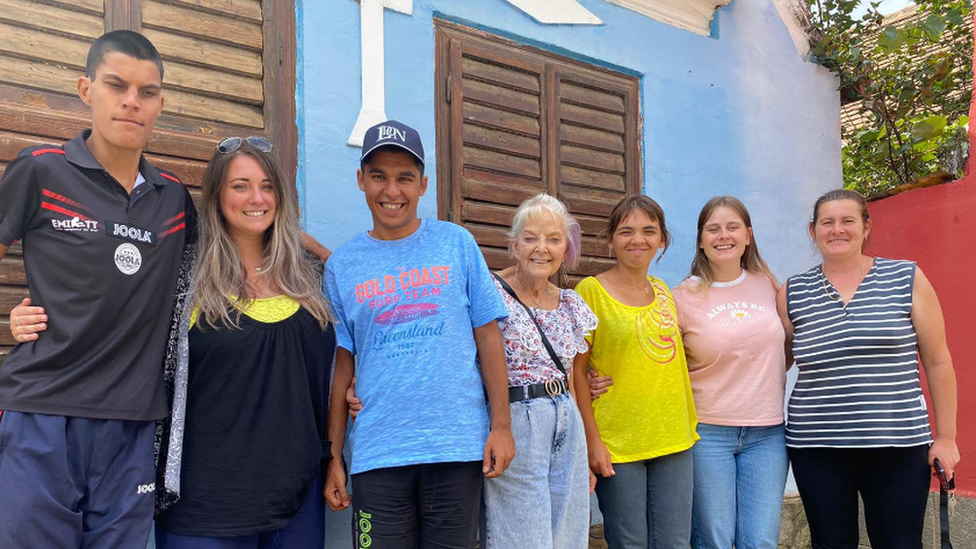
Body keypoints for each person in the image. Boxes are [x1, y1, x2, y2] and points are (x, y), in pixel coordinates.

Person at [0, 30, 196, 548]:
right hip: (42, 411)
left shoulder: (174, 199)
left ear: (160, 103)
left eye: (147, 91)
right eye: (117, 85)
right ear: (86, 89)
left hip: (133, 425)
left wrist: (337, 263)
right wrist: (6, 323)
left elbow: (244, 238)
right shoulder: (40, 169)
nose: (132, 102)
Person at [347, 193, 598, 548]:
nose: (541, 248)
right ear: (513, 245)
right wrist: (369, 376)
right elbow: (434, 335)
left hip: (565, 423)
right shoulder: (488, 289)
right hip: (516, 419)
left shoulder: (571, 304)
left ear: (566, 248)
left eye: (553, 239)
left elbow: (575, 377)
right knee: (523, 538)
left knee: (570, 537)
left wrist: (584, 451)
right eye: (530, 238)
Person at [323, 120, 515, 549]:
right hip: (378, 451)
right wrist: (333, 456)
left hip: (455, 445)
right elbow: (342, 364)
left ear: (423, 185)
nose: (392, 191)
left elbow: (488, 337)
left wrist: (501, 425)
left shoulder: (457, 244)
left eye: (404, 178)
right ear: (361, 180)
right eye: (379, 176)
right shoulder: (343, 266)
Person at [148, 137, 336, 548]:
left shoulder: (311, 274)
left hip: (297, 496)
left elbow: (355, 338)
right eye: (241, 186)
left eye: (268, 186)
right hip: (204, 502)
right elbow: (125, 333)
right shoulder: (183, 274)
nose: (257, 197)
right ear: (216, 195)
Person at [776, 189, 960, 549]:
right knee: (830, 543)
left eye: (847, 220)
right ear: (812, 231)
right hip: (816, 447)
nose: (837, 229)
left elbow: (938, 361)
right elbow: (774, 363)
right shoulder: (792, 292)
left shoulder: (905, 278)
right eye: (827, 222)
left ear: (866, 226)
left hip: (898, 444)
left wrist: (947, 438)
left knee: (900, 543)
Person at [573, 195, 698, 549]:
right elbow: (576, 373)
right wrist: (592, 442)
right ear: (611, 240)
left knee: (675, 542)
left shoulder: (664, 292)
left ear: (662, 240)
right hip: (618, 442)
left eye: (649, 231)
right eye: (626, 231)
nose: (637, 239)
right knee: (630, 543)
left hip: (673, 435)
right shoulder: (590, 292)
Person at [671, 197, 788, 549]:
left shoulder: (770, 286)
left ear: (748, 235)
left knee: (761, 541)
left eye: (733, 227)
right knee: (714, 540)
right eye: (713, 229)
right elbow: (663, 364)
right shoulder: (681, 296)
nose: (724, 235)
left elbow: (789, 350)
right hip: (708, 433)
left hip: (768, 434)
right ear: (701, 240)